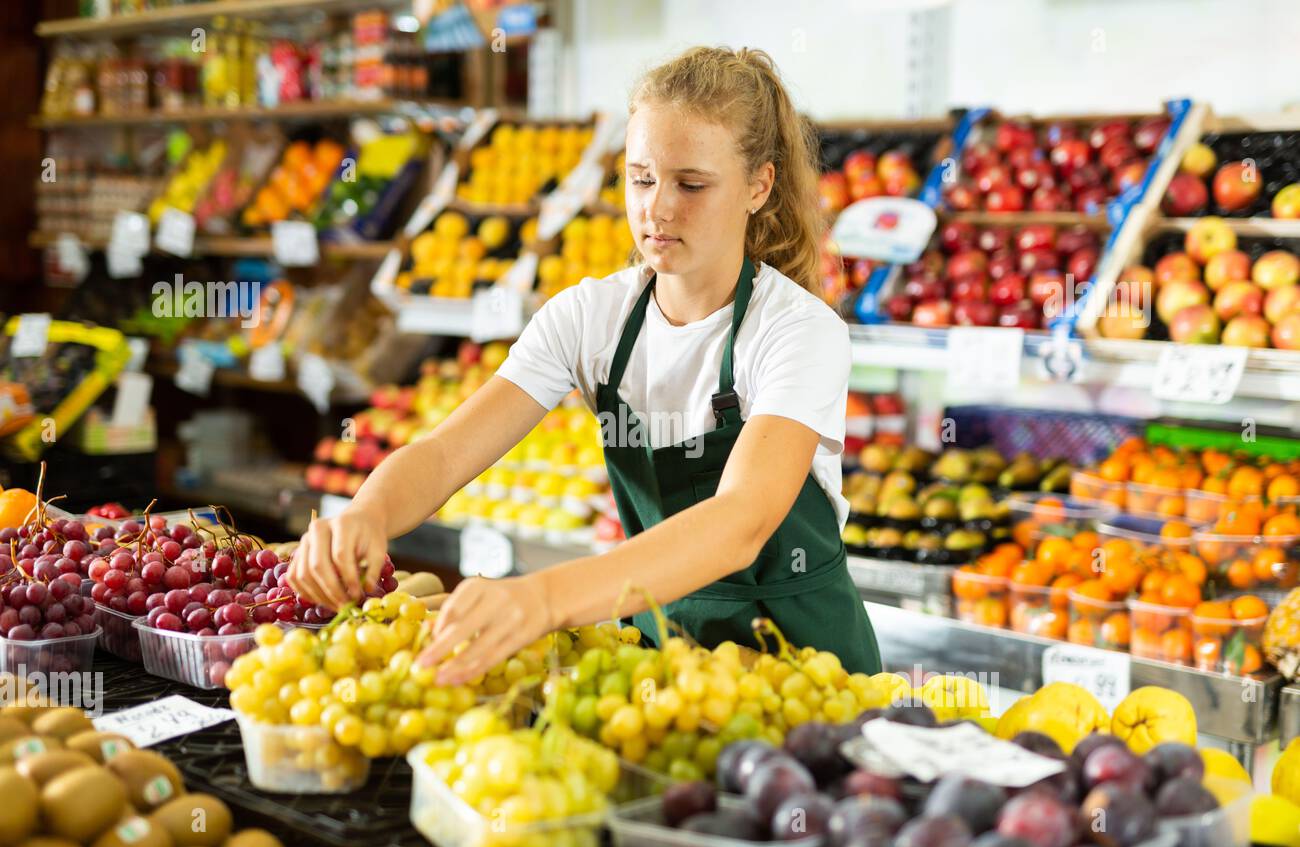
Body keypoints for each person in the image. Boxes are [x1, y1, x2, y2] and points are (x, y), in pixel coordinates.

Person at [286, 45, 882, 684]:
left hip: (807, 670)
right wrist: (367, 514)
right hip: (664, 664)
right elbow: (444, 455)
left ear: (758, 186)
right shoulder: (588, 319)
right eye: (641, 177)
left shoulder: (798, 329)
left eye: (692, 184)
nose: (657, 208)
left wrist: (542, 600)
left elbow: (741, 521)